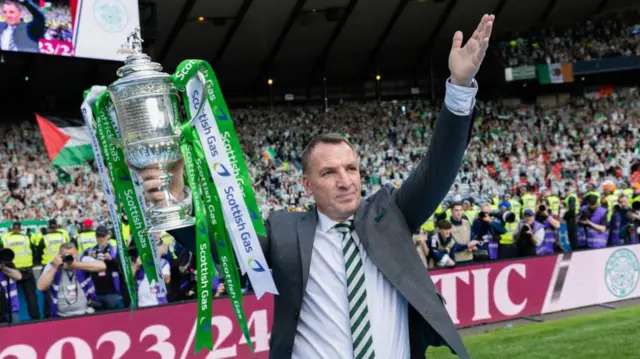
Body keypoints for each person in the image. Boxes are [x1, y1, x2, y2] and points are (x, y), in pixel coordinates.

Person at [142, 14, 495, 359]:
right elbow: (226, 252)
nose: (345, 181)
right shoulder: (284, 232)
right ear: (307, 184)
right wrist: (173, 206)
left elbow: (440, 167)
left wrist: (459, 88)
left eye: (351, 168)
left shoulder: (390, 215)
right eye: (329, 173)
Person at [36, 242, 106, 318]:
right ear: (60, 255)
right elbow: (41, 287)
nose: (69, 258)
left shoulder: (82, 259)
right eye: (66, 255)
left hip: (86, 312)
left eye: (72, 255)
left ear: (77, 253)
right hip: (61, 316)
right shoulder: (53, 265)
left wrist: (76, 265)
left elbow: (102, 266)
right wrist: (55, 267)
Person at [0, 221, 40, 320]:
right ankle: (35, 318)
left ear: (12, 228)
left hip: (11, 268)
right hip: (25, 269)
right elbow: (35, 250)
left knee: (8, 294)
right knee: (31, 296)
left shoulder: (5, 238)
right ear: (20, 228)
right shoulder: (26, 237)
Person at [85, 226, 124, 311]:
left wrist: (111, 259)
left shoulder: (115, 250)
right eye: (98, 236)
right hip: (95, 291)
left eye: (103, 236)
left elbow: (123, 269)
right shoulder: (89, 251)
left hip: (112, 292)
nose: (101, 239)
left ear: (107, 236)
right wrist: (90, 259)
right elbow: (83, 268)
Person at [0, 248, 23, 324]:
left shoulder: (9, 266)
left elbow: (18, 276)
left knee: (17, 333)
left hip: (11, 309)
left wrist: (3, 268)